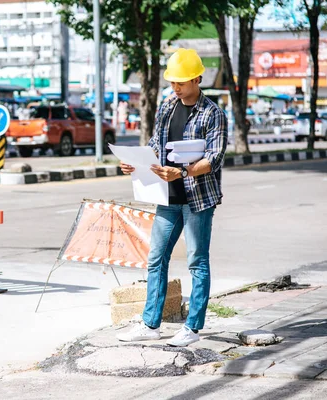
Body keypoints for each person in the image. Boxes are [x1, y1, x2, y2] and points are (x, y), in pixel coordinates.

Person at [116, 48, 228, 347]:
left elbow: (215, 158)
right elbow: (156, 144)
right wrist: (135, 162)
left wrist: (184, 172)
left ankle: (192, 328)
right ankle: (150, 324)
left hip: (198, 199)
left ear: (197, 79)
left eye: (181, 81)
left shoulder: (212, 113)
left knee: (196, 261)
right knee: (156, 258)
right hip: (167, 197)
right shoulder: (167, 106)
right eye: (173, 81)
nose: (175, 86)